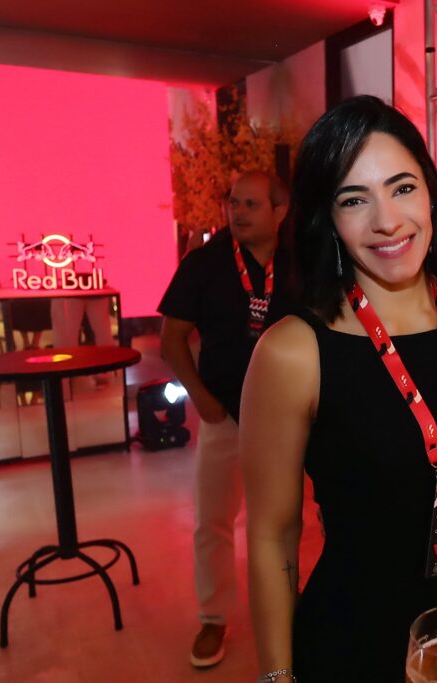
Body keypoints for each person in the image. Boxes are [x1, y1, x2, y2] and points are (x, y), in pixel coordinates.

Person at [240, 95, 437, 683]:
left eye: (402, 188)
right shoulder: (295, 352)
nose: (386, 221)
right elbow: (271, 535)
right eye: (354, 199)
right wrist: (277, 677)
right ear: (326, 218)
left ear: (431, 196)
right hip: (355, 645)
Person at [158, 170, 292, 668]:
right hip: (223, 413)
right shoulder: (205, 263)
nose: (238, 212)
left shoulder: (301, 262)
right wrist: (201, 399)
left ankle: (286, 607)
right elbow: (171, 339)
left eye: (251, 204)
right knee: (213, 521)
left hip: (285, 417)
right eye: (235, 202)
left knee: (282, 519)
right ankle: (213, 618)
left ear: (280, 211)